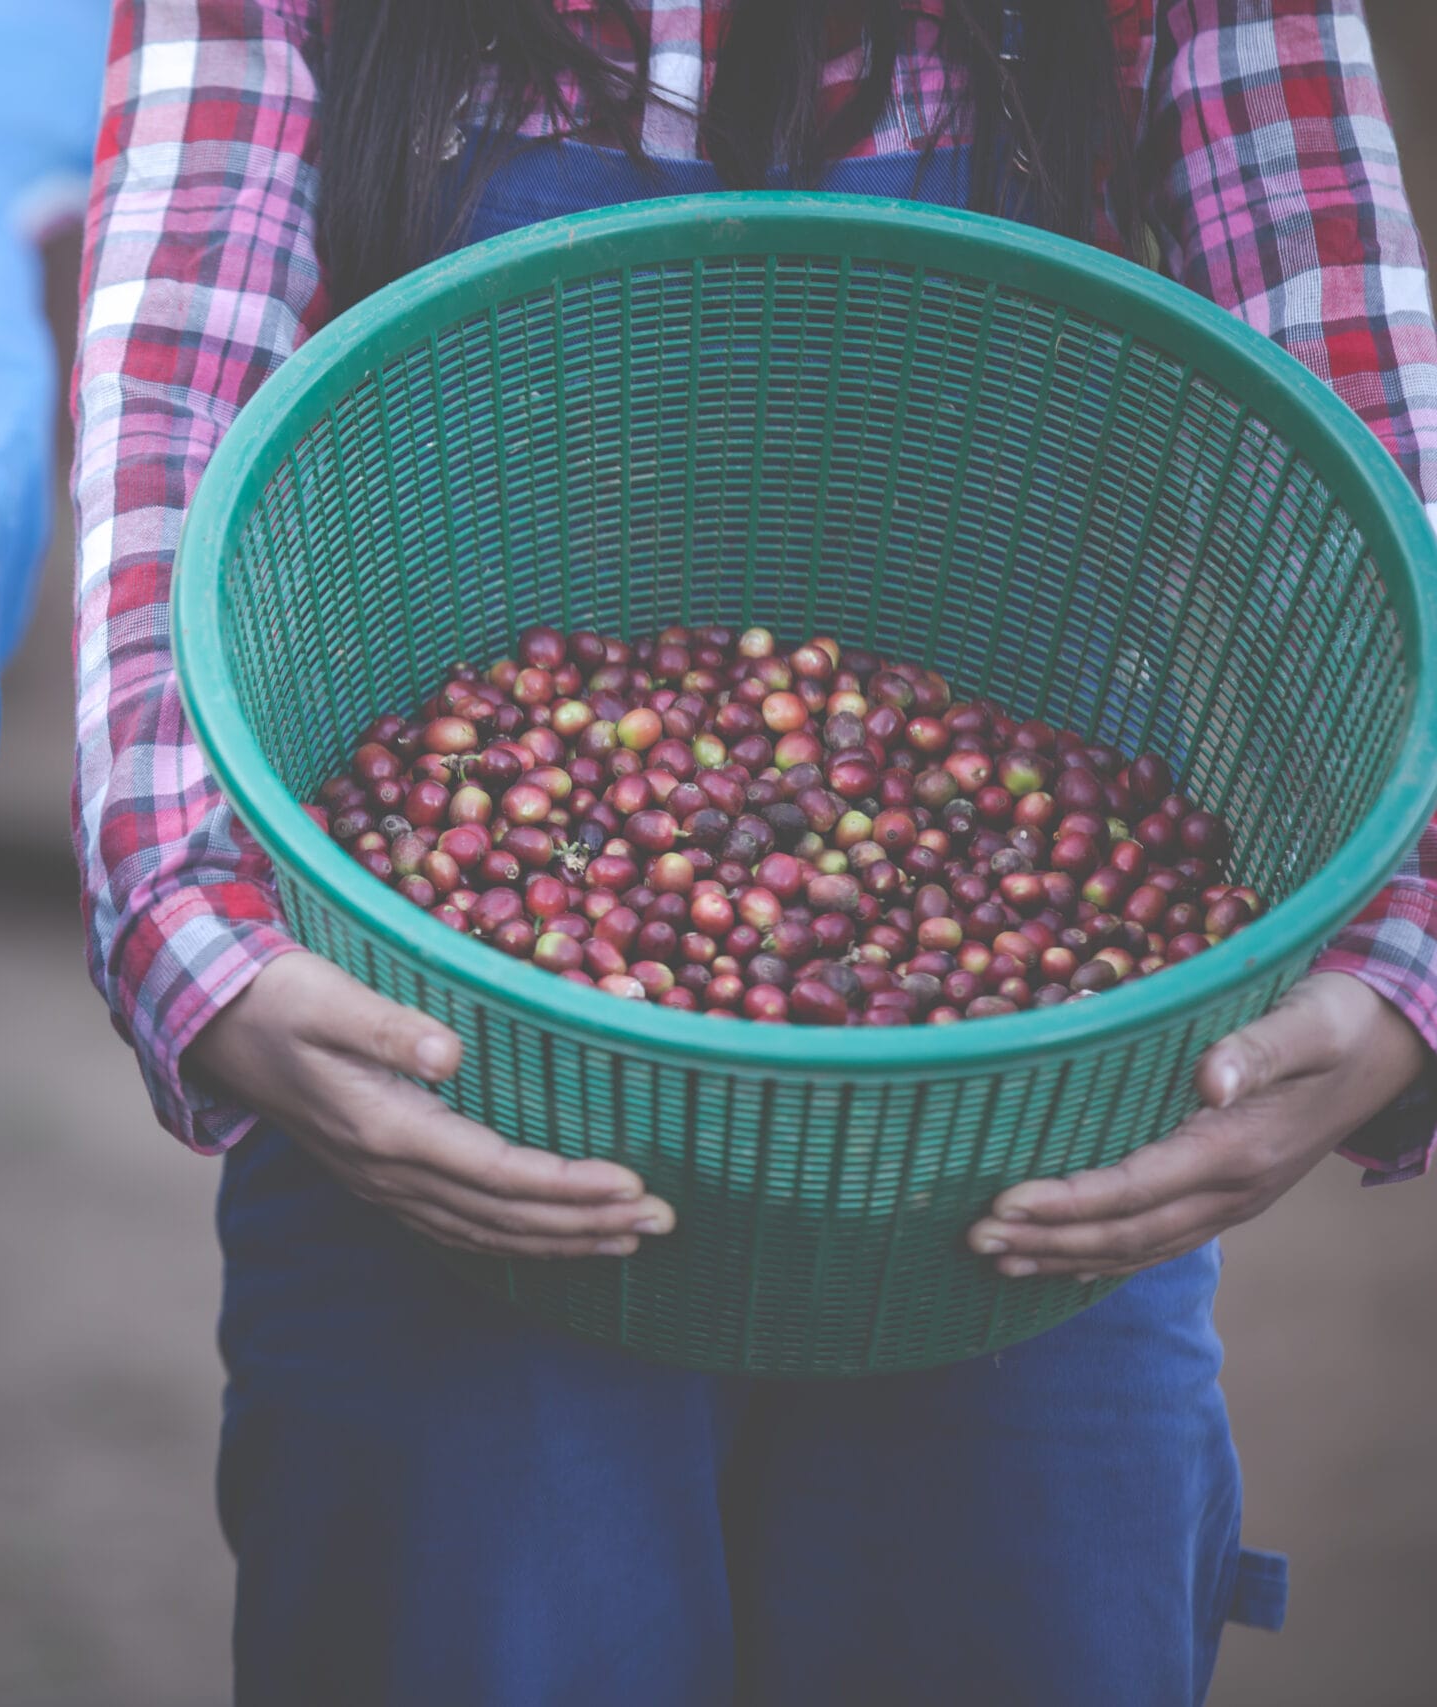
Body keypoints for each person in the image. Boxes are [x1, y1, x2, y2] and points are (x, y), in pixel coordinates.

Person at [70, 2, 1437, 1701]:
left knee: (1020, 1602)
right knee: (476, 1609)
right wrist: (197, 938)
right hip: (447, 1049)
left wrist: (1406, 949)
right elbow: (176, 391)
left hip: (1022, 1107)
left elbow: (1358, 387)